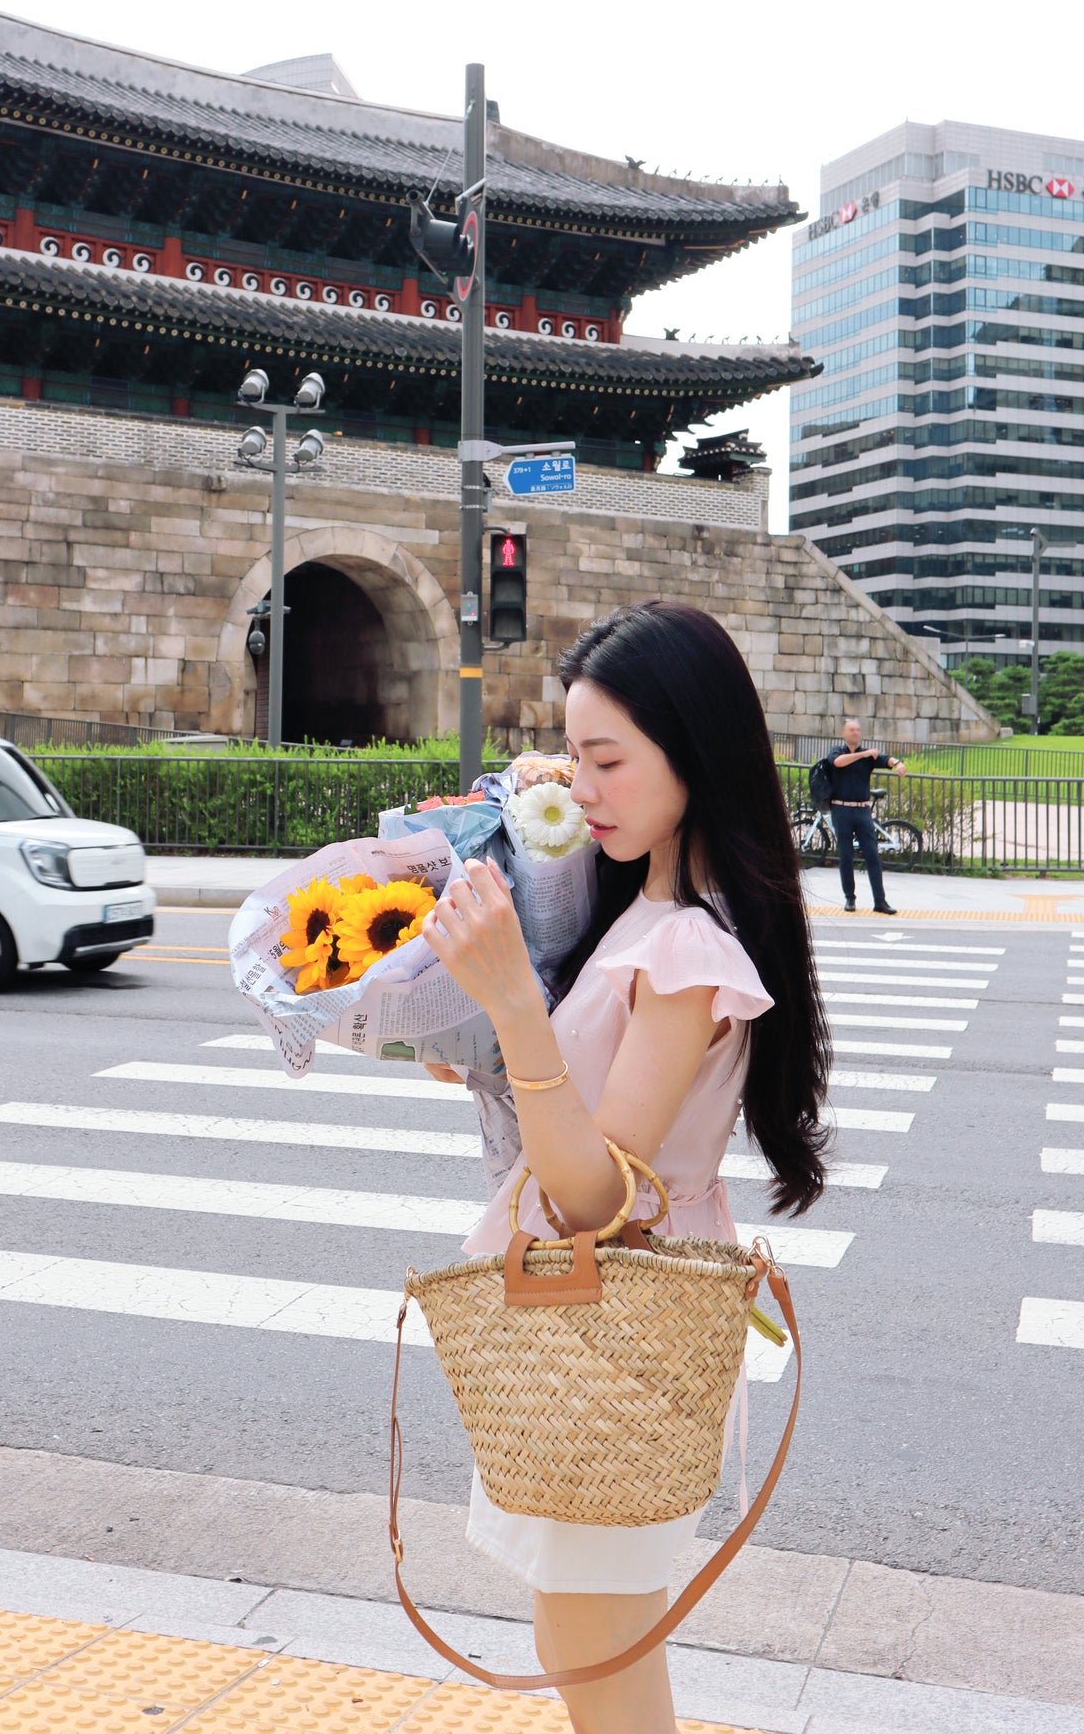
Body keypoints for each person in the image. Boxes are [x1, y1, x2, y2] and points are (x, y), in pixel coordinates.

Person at [425, 601, 831, 1734]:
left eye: (607, 759)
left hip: (617, 1317)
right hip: (595, 1321)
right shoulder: (640, 905)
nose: (583, 786)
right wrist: (491, 1048)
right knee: (580, 1632)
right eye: (573, 754)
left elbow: (594, 1196)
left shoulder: (690, 947)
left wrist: (512, 1004)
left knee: (598, 1642)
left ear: (691, 754)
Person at [827, 716, 907, 914]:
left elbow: (884, 759)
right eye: (851, 730)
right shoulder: (838, 751)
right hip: (841, 809)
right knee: (846, 855)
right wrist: (863, 756)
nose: (855, 733)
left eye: (857, 730)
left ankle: (879, 900)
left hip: (862, 810)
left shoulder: (868, 754)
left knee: (872, 855)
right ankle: (850, 898)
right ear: (844, 733)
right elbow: (837, 763)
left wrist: (897, 763)